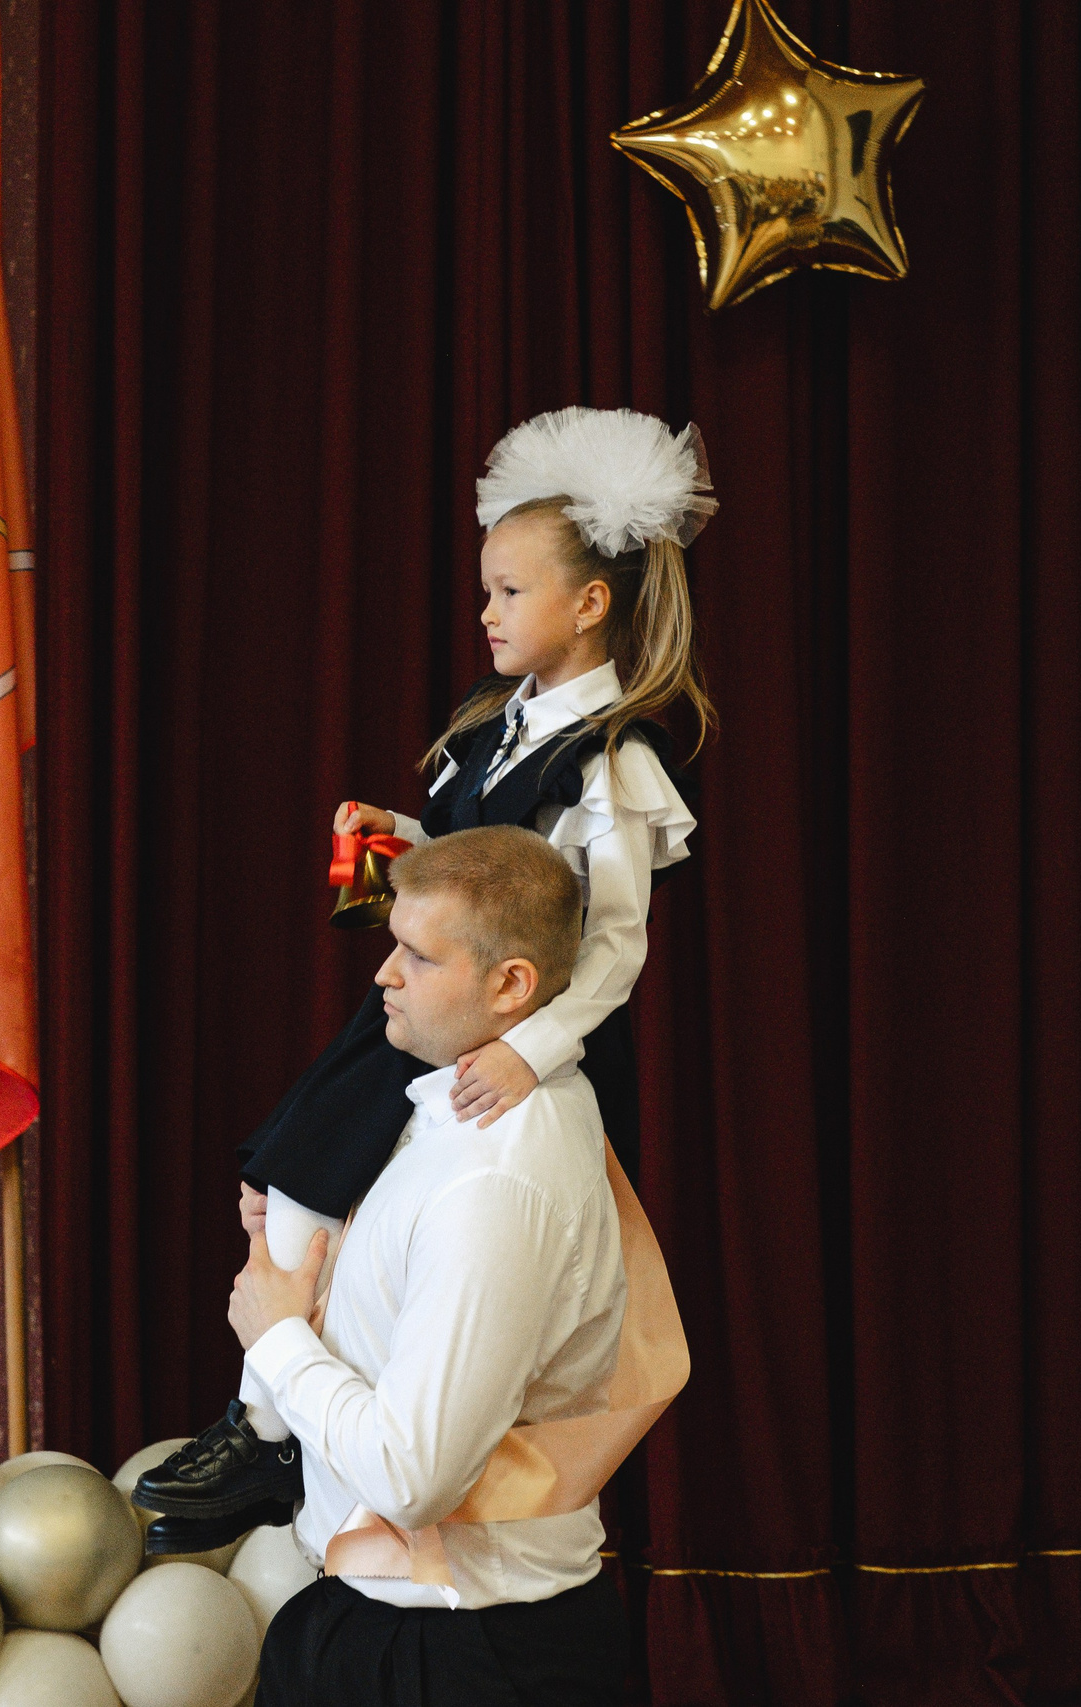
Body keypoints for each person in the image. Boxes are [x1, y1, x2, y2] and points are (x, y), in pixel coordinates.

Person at [136, 405, 713, 1550]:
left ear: (589, 603)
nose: (486, 613)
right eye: (487, 591)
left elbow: (612, 944)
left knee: (304, 1175)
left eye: (509, 591)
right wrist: (392, 835)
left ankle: (268, 1426)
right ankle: (270, 1422)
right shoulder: (489, 730)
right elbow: (478, 861)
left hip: (490, 1034)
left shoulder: (611, 759)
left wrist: (524, 1048)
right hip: (424, 1012)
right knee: (286, 1174)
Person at [232, 827, 662, 1706]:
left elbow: (412, 1475)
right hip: (391, 1626)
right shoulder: (451, 1105)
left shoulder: (501, 1178)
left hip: (462, 1655)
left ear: (512, 985)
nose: (384, 974)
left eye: (418, 956)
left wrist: (276, 1338)